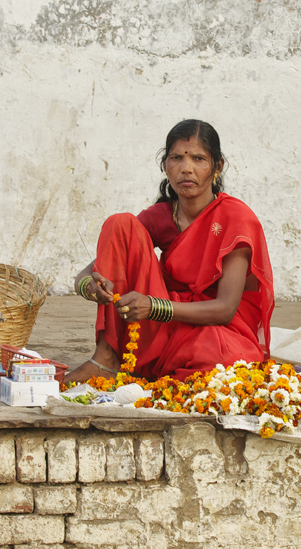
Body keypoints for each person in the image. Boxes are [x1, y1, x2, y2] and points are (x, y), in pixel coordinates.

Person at [64, 120, 274, 383]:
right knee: (120, 223)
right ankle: (106, 358)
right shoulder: (161, 216)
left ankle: (150, 364)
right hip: (164, 323)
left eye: (199, 159)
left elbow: (225, 310)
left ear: (217, 167)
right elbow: (92, 269)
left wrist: (154, 307)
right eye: (177, 158)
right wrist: (89, 285)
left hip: (214, 326)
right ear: (165, 165)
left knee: (221, 361)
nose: (187, 169)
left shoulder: (235, 218)